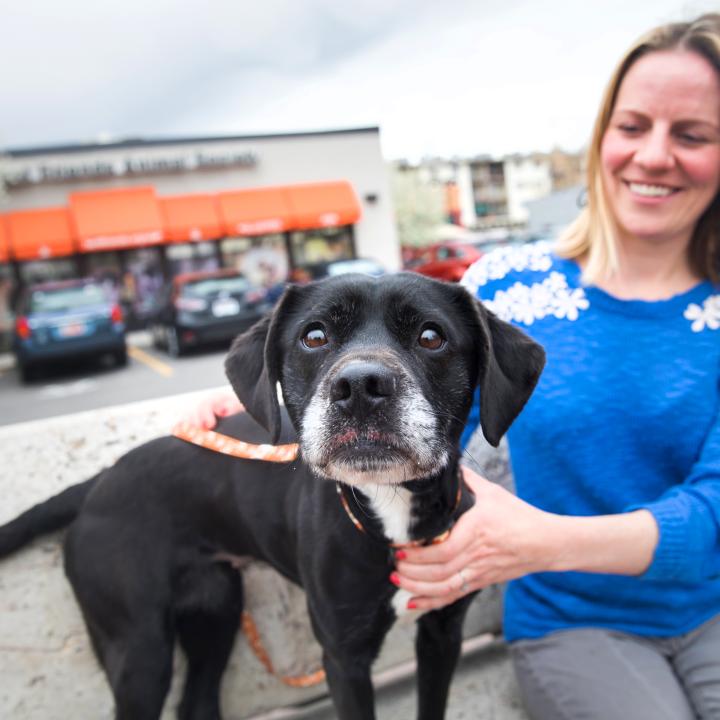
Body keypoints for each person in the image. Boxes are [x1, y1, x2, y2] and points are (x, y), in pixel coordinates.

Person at [182, 13, 720, 719]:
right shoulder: (504, 287)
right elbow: (418, 391)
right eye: (632, 125)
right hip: (575, 618)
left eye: (692, 134)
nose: (653, 155)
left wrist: (540, 539)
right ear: (601, 139)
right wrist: (241, 405)